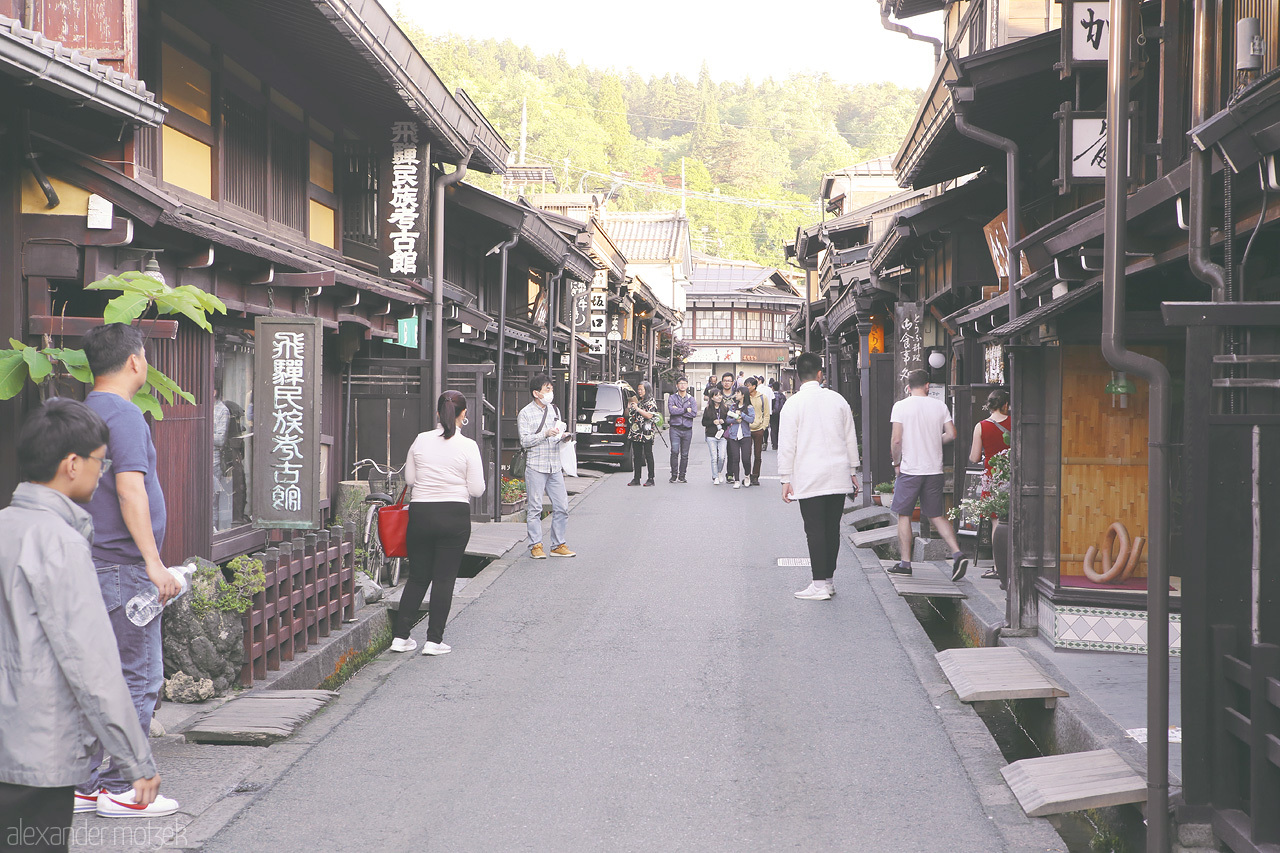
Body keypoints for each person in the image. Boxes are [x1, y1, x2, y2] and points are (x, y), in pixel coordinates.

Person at [0, 400, 162, 847]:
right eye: (100, 461)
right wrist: (135, 760)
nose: (103, 471)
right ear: (72, 464)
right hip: (37, 752)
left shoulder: (5, 527)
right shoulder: (62, 544)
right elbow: (92, 665)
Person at [77, 323, 180, 818]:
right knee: (136, 677)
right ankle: (124, 786)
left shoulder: (78, 413)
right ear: (136, 362)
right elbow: (129, 490)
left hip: (87, 564)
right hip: (122, 567)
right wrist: (154, 563)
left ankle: (83, 782)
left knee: (91, 675)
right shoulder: (124, 415)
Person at [390, 391, 485, 657]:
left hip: (420, 513)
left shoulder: (420, 440)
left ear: (437, 413)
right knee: (444, 579)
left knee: (419, 577)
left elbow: (409, 479)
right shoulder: (468, 446)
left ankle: (401, 637)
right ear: (463, 414)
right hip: (454, 514)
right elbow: (477, 489)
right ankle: (434, 641)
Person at [779, 353, 860, 601]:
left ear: (798, 377)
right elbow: (850, 438)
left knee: (814, 530)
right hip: (837, 475)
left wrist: (785, 478)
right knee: (831, 529)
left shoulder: (792, 404)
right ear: (820, 374)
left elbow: (787, 444)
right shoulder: (838, 400)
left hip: (809, 475)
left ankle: (818, 584)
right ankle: (828, 581)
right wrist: (853, 470)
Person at [888, 369, 968, 580]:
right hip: (934, 470)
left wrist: (896, 463)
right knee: (936, 515)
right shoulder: (939, 406)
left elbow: (896, 440)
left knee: (904, 515)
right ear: (927, 386)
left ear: (908, 387)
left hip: (910, 470)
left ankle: (906, 563)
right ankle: (957, 553)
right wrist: (932, 440)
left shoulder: (901, 406)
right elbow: (952, 434)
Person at [518, 374, 575, 559]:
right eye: (547, 389)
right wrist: (545, 433)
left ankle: (558, 544)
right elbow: (524, 441)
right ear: (536, 393)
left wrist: (563, 436)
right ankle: (535, 545)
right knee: (535, 508)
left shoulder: (555, 410)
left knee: (562, 506)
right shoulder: (525, 413)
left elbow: (556, 434)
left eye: (551, 389)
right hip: (536, 465)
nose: (551, 393)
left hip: (554, 465)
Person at [969, 389, 1011, 580]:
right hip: (1013, 476)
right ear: (1005, 405)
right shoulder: (1014, 423)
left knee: (996, 522)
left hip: (992, 478)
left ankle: (998, 566)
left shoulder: (981, 426)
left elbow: (974, 457)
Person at [626, 381, 659, 487]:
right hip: (636, 431)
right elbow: (630, 414)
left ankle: (651, 478)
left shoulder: (651, 402)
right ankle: (636, 478)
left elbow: (649, 415)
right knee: (637, 456)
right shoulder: (638, 401)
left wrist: (637, 409)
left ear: (647, 390)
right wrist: (630, 407)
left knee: (648, 455)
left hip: (646, 432)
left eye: (642, 389)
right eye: (639, 389)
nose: (639, 391)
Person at [666, 375, 697, 484]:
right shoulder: (672, 398)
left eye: (684, 383)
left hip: (687, 429)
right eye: (680, 383)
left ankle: (682, 475)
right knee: (674, 451)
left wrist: (679, 410)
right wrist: (685, 410)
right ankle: (674, 475)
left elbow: (694, 413)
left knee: (685, 454)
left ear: (687, 385)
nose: (682, 385)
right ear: (677, 385)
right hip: (675, 428)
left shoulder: (691, 399)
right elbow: (671, 411)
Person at [724, 387, 754, 489]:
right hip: (734, 435)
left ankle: (747, 476)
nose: (736, 394)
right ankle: (736, 480)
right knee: (735, 458)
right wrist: (735, 420)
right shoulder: (733, 407)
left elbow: (751, 419)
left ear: (743, 395)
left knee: (746, 458)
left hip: (746, 436)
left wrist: (742, 415)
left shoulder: (749, 407)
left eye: (738, 392)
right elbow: (727, 419)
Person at [744, 377, 771, 485]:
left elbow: (766, 413)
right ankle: (747, 475)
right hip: (746, 429)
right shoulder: (744, 397)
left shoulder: (762, 397)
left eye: (748, 385)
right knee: (746, 455)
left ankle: (755, 476)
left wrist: (763, 427)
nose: (746, 387)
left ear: (754, 386)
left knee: (757, 454)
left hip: (759, 429)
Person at [702, 388, 728, 485]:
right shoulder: (708, 409)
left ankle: (719, 471)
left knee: (721, 456)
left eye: (720, 395)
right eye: (716, 395)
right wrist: (713, 422)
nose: (719, 397)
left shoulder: (725, 408)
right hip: (711, 435)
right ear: (712, 398)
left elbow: (729, 421)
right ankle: (715, 476)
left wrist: (723, 421)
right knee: (714, 457)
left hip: (722, 435)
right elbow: (704, 422)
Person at [769, 381, 786, 450]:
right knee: (779, 428)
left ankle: (774, 444)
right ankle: (779, 443)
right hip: (780, 413)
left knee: (773, 429)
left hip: (773, 413)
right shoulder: (782, 395)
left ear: (772, 388)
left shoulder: (771, 395)